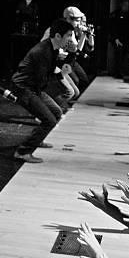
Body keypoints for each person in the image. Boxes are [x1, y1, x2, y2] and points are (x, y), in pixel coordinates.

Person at [11, 18, 76, 163]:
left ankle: (36, 140)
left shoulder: (52, 49)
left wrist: (64, 67)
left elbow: (48, 76)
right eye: (68, 36)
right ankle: (22, 152)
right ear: (58, 36)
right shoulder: (43, 51)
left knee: (57, 112)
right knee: (49, 120)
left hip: (33, 88)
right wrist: (60, 76)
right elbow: (43, 80)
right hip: (24, 89)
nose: (70, 39)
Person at [109, 0, 129, 78]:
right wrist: (116, 38)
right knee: (118, 56)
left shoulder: (128, 15)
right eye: (125, 5)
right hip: (118, 39)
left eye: (128, 6)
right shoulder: (116, 14)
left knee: (123, 56)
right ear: (121, 5)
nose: (127, 7)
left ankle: (121, 71)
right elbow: (113, 27)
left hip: (126, 39)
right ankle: (118, 72)